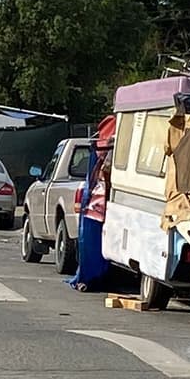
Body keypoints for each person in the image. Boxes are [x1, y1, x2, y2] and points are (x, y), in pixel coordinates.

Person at [69, 116, 115, 291]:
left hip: (99, 204)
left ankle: (91, 276)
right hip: (99, 204)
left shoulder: (104, 147)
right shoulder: (108, 143)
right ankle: (92, 276)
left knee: (93, 240)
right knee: (93, 241)